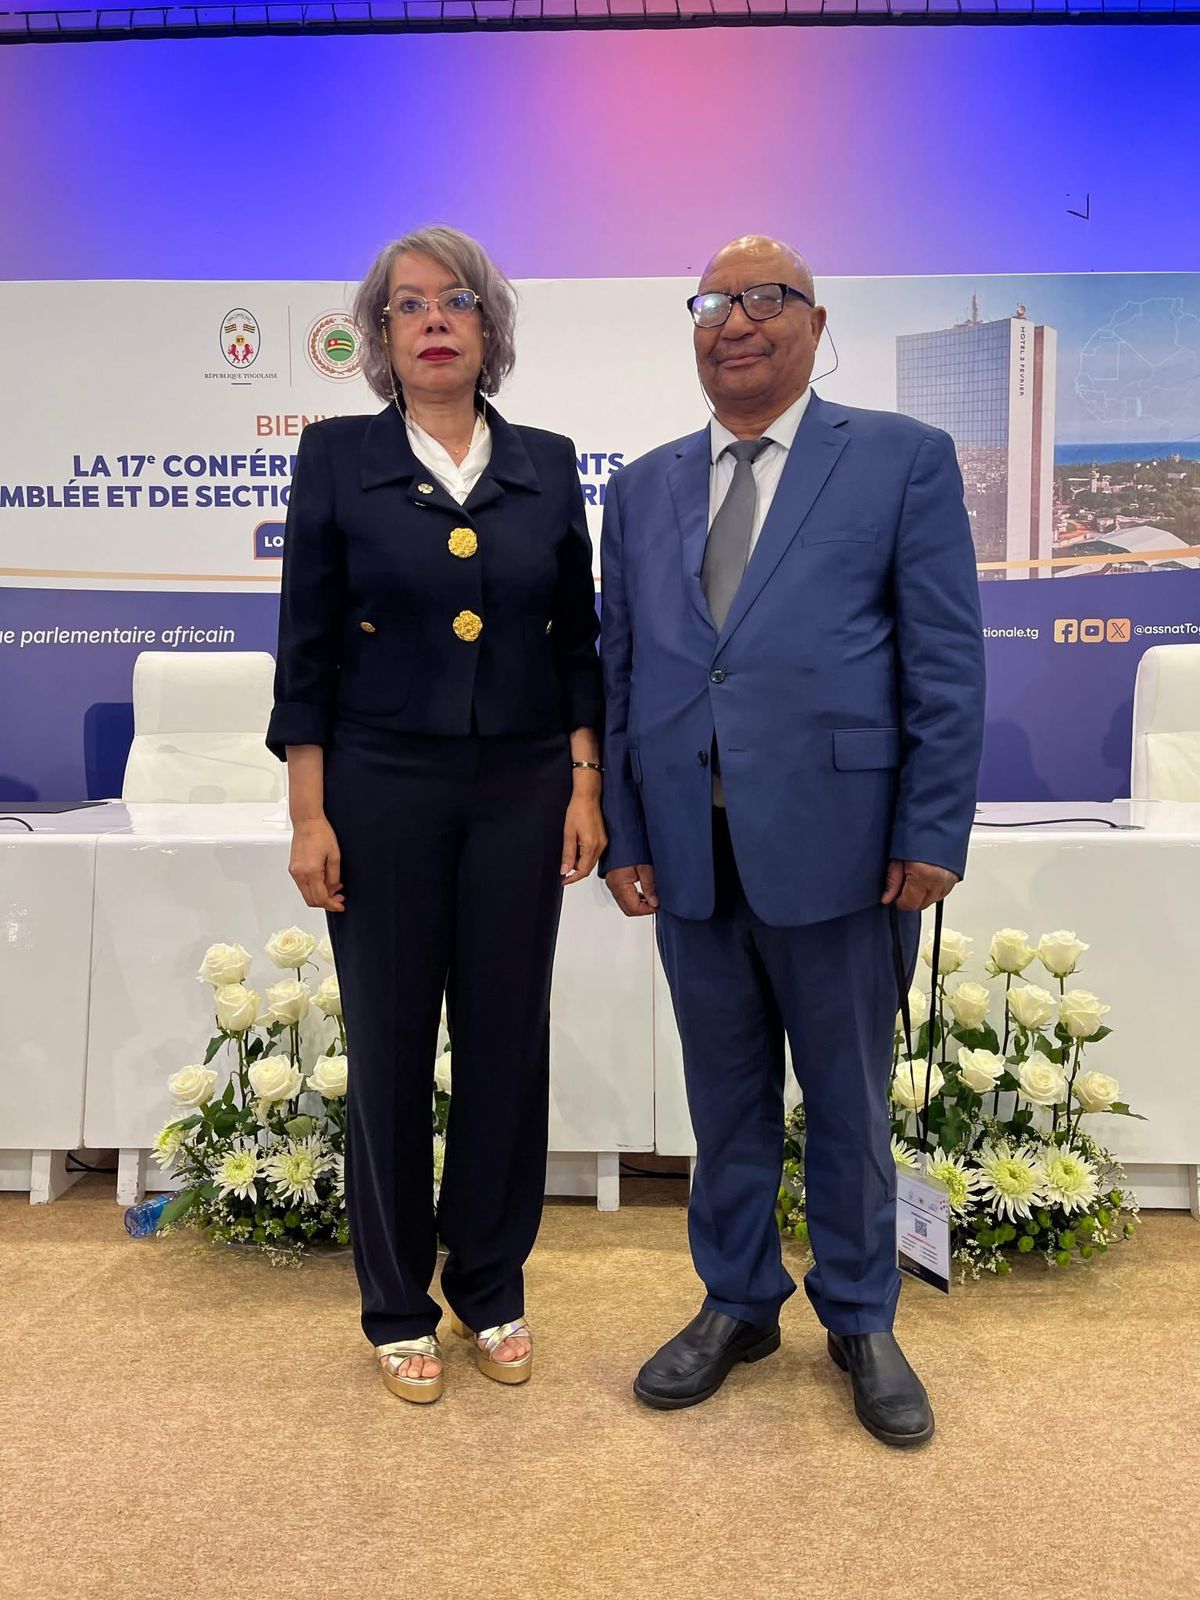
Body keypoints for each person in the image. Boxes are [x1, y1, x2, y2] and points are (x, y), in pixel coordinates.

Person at [600, 236, 984, 1445]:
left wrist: (932, 826)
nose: (737, 321)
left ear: (817, 324)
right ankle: (738, 1300)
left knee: (849, 1104)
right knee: (725, 1104)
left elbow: (944, 661)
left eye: (767, 298)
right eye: (714, 302)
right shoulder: (643, 487)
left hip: (847, 849)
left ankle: (862, 1316)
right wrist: (624, 830)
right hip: (690, 853)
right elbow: (624, 673)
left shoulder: (901, 460)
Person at [267, 226, 605, 1404]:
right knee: (393, 1042)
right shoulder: (337, 456)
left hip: (523, 788)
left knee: (508, 1041)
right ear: (381, 335)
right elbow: (306, 647)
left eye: (456, 300)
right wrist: (308, 813)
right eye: (408, 305)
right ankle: (397, 1301)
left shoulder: (547, 462)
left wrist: (584, 782)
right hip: (379, 788)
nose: (434, 321)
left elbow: (578, 644)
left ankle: (492, 1282)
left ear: (488, 325)